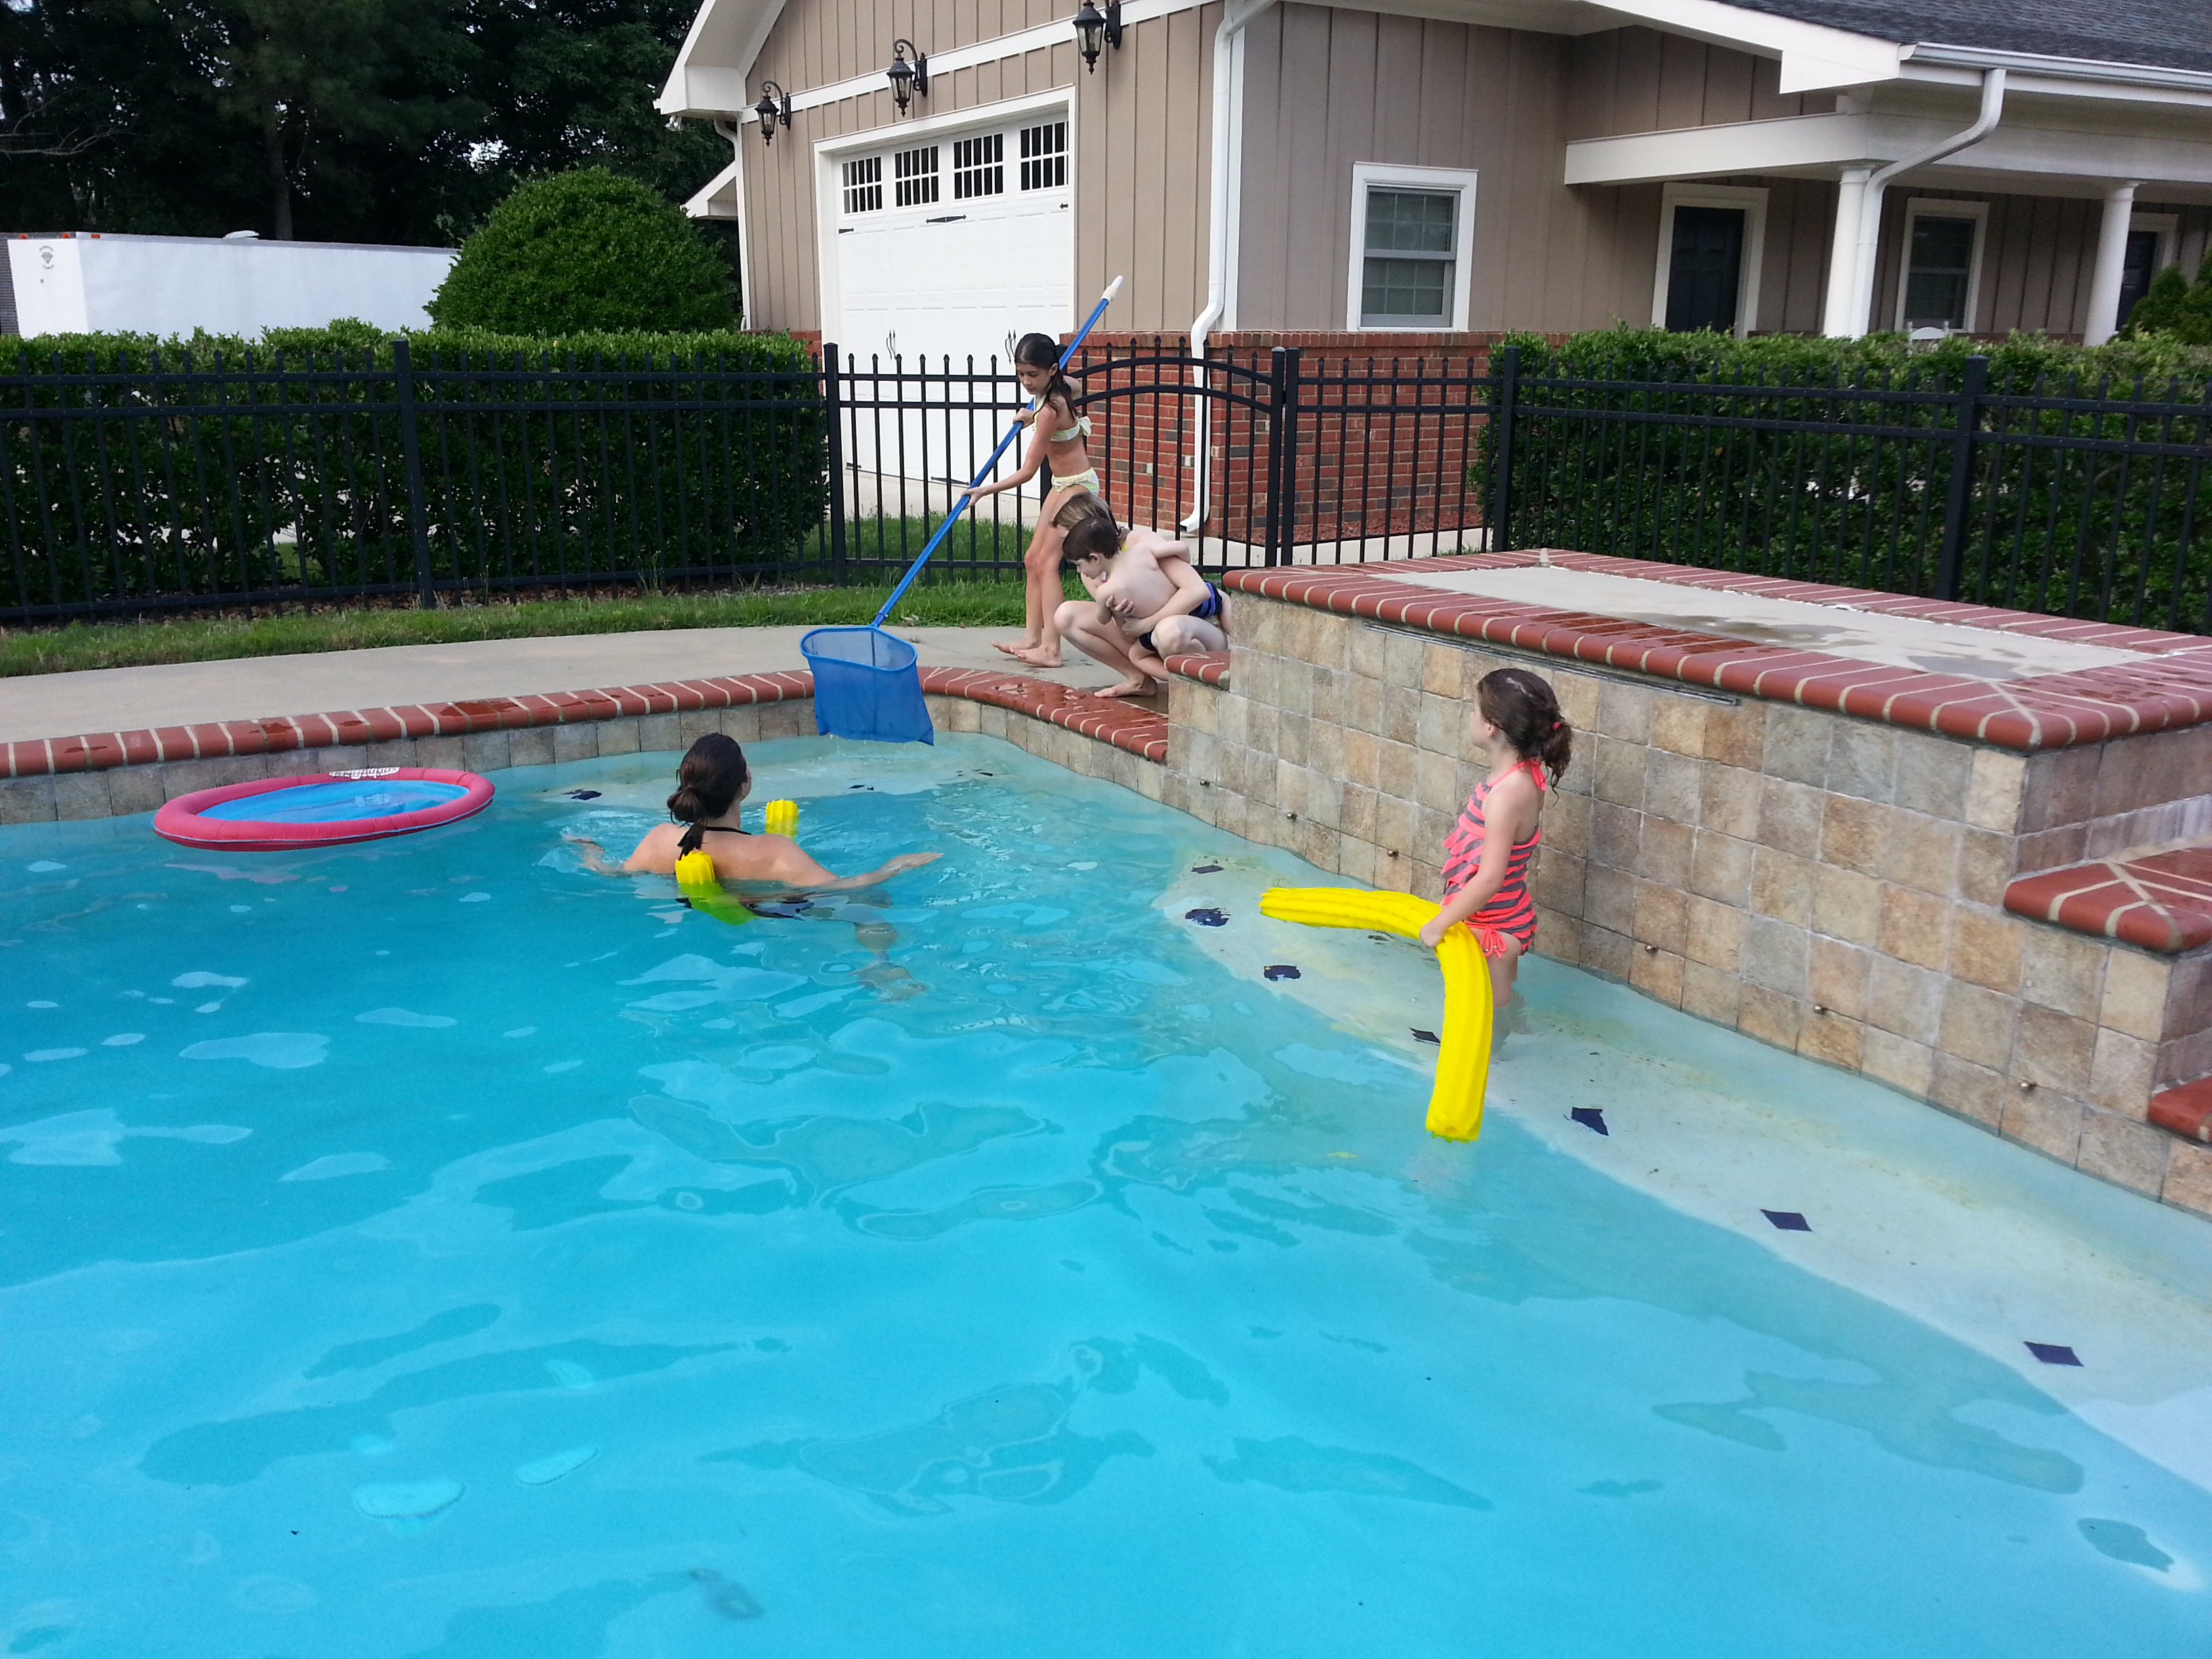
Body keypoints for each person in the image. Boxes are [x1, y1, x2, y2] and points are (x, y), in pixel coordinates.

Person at [567, 735, 939, 994]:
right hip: (770, 915)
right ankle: (882, 965)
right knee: (871, 907)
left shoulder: (660, 839)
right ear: (744, 785)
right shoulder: (774, 851)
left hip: (691, 918)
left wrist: (589, 852)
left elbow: (614, 874)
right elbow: (841, 887)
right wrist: (895, 866)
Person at [1416, 668, 1574, 1015]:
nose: (1470, 717)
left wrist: (1440, 924)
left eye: (1474, 710)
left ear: (1491, 727)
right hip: (1497, 917)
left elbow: (1489, 878)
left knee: (1488, 1017)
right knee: (1492, 1007)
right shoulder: (1520, 775)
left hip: (1493, 932)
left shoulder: (1507, 796)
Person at [970, 333, 1101, 669]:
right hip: (1063, 484)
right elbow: (1074, 385)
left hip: (1078, 488)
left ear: (1052, 370)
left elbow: (1028, 472)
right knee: (1032, 559)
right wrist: (1034, 412)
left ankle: (1051, 649)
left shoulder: (1049, 410)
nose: (1027, 382)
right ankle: (1032, 637)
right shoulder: (1058, 391)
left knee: (1047, 563)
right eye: (1021, 374)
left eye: (1033, 374)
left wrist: (984, 490)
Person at [1050, 504, 1226, 699]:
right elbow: (1181, 547)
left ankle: (1201, 679)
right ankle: (1144, 680)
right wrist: (1122, 617)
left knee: (1167, 631)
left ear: (1092, 554)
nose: (1077, 568)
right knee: (1066, 617)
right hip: (1152, 636)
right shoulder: (1140, 554)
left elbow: (1198, 590)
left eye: (1068, 538)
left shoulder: (1140, 544)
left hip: (1192, 624)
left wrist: (1143, 623)